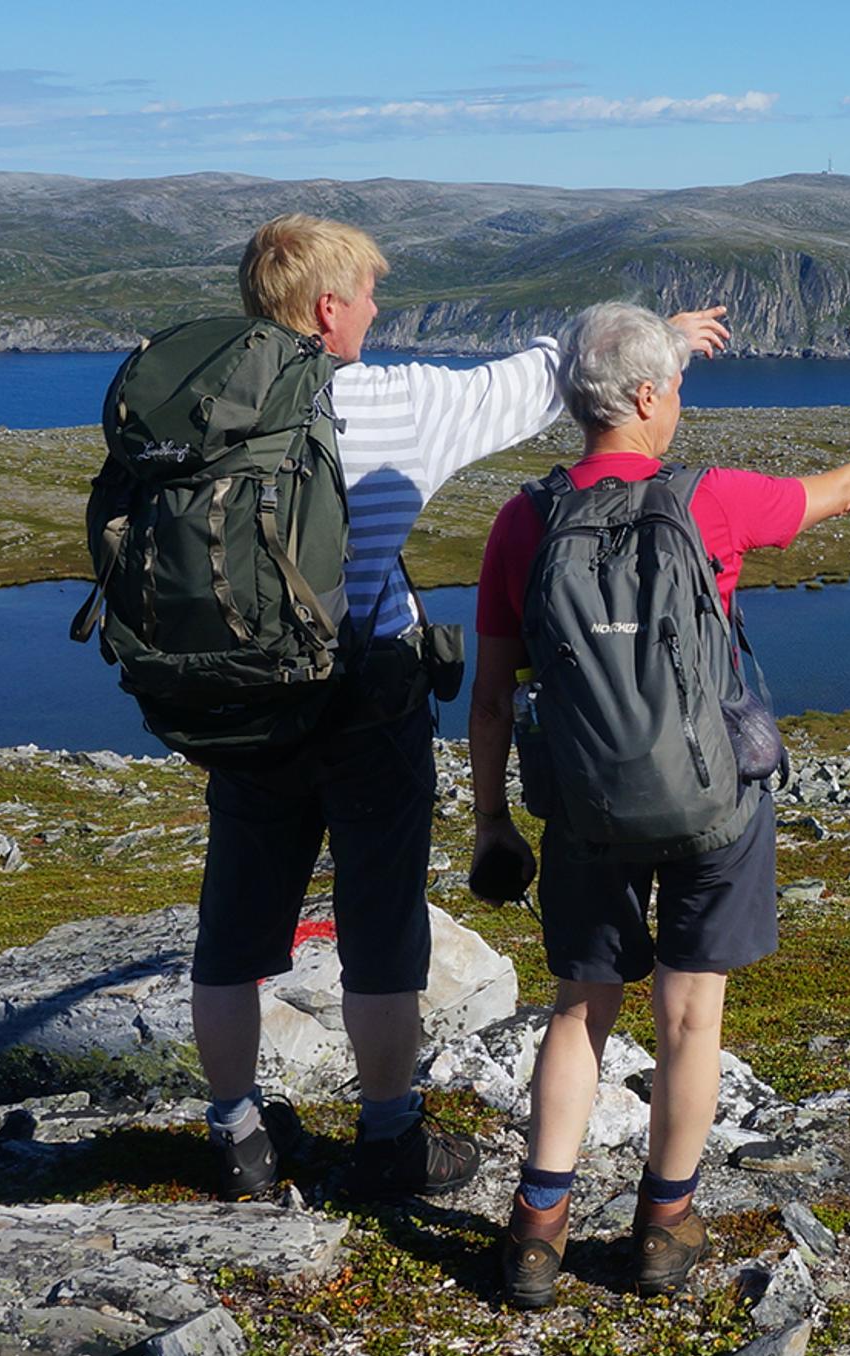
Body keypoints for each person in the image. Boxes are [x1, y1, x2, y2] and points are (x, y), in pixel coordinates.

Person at [467, 301, 850, 1305]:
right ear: (641, 397)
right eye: (669, 387)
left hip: (581, 807)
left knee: (579, 1012)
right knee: (688, 1014)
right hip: (713, 802)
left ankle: (536, 1234)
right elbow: (837, 492)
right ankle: (664, 1228)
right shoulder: (708, 503)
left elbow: (492, 696)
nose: (677, 403)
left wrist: (494, 822)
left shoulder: (522, 522)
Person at [193, 218, 731, 1202]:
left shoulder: (197, 406)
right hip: (365, 696)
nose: (374, 311)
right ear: (326, 309)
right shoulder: (393, 406)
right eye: (366, 296)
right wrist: (662, 336)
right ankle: (389, 1136)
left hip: (241, 699)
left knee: (232, 929)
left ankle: (234, 1136)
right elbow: (541, 376)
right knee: (380, 924)